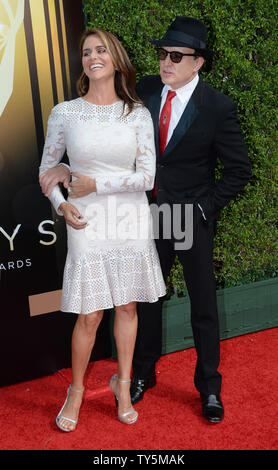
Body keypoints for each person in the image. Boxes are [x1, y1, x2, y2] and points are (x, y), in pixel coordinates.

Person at [40, 17, 251, 423]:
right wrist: (65, 173)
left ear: (198, 63)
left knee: (203, 302)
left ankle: (209, 387)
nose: (166, 62)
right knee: (143, 301)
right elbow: (102, 134)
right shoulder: (145, 93)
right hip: (142, 212)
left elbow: (238, 170)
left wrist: (205, 208)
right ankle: (139, 375)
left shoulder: (218, 106)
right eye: (162, 54)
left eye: (176, 56)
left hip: (189, 215)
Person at [39, 28, 166, 432]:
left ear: (115, 59)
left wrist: (96, 184)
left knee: (128, 307)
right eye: (86, 52)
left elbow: (146, 177)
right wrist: (63, 205)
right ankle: (76, 390)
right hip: (87, 221)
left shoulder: (137, 114)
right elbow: (47, 170)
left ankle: (123, 386)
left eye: (101, 50)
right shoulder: (65, 112)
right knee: (90, 315)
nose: (93, 57)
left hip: (129, 219)